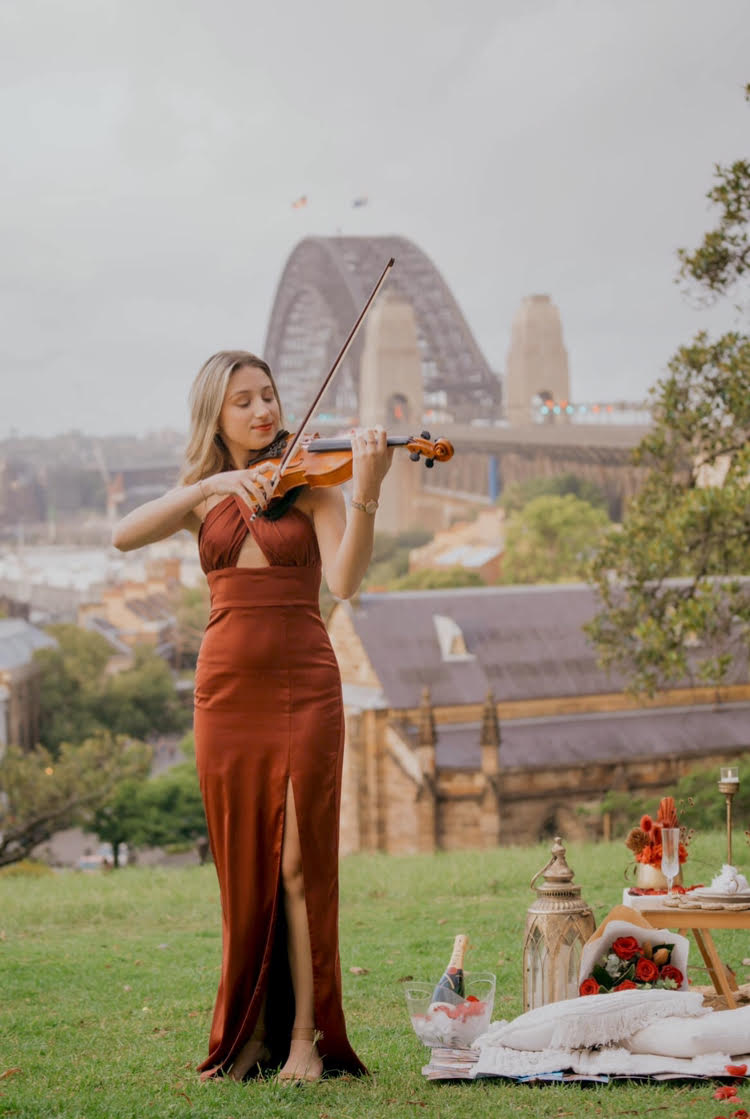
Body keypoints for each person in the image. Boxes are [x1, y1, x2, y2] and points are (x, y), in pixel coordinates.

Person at [112, 350, 393, 1083]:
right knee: (245, 867)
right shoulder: (205, 499)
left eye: (269, 396)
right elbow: (124, 534)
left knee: (299, 863)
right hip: (227, 692)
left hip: (304, 682)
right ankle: (249, 1035)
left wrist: (366, 491)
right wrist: (207, 483)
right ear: (217, 415)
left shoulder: (314, 486)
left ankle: (305, 1036)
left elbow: (346, 582)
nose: (264, 411)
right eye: (244, 401)